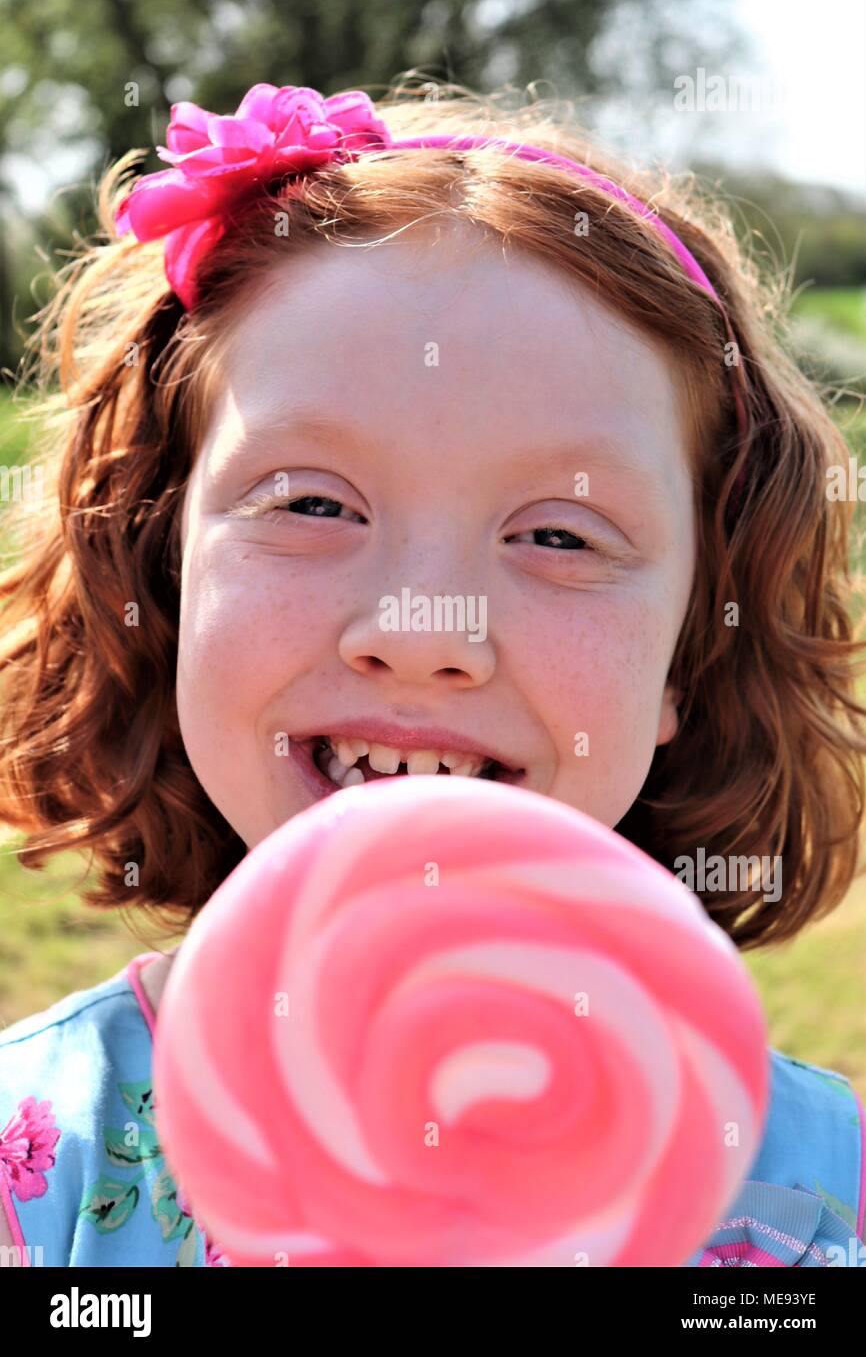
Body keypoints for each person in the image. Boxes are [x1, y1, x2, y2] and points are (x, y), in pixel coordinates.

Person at [0, 80, 863, 1267]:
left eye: (559, 533)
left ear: (689, 650)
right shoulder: (36, 1175)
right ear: (160, 565)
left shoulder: (826, 1203)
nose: (421, 628)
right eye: (309, 502)